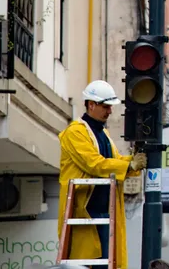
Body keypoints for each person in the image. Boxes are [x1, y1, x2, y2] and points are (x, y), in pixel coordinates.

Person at [57, 80, 147, 269]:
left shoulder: (102, 134)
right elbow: (94, 164)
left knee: (105, 263)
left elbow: (114, 161)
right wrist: (130, 165)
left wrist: (132, 162)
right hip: (84, 211)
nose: (109, 111)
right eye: (106, 106)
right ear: (91, 105)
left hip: (103, 211)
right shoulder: (75, 132)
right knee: (86, 263)